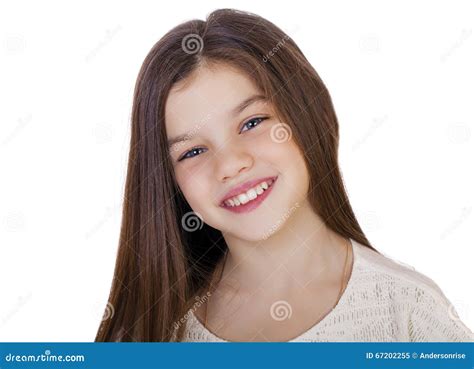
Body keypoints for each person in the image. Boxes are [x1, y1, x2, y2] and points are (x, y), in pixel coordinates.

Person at [95, 8, 472, 342]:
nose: (229, 165)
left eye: (253, 122)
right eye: (192, 151)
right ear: (169, 183)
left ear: (308, 115)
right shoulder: (157, 332)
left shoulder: (408, 310)